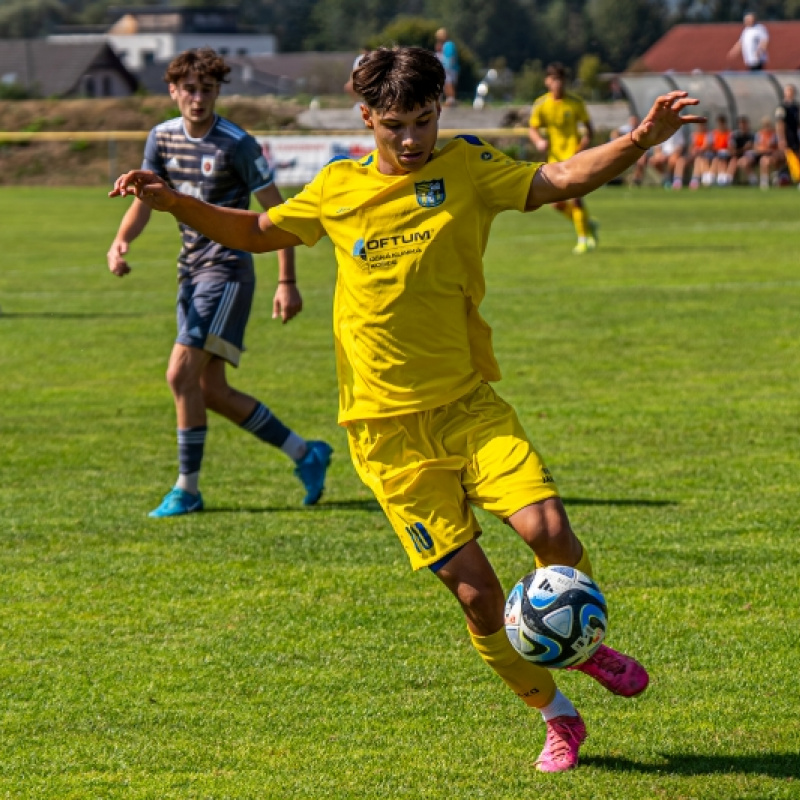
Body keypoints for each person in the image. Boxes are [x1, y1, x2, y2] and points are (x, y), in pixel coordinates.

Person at [110, 46, 703, 772]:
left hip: (467, 405)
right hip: (385, 434)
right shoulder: (337, 188)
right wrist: (176, 203)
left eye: (424, 121)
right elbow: (258, 234)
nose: (414, 139)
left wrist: (638, 141)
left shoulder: (468, 167)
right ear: (367, 119)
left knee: (551, 530)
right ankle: (555, 713)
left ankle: (578, 642)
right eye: (396, 125)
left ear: (440, 110)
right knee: (479, 596)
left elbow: (556, 178)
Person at [107, 48, 332, 517]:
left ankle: (187, 489)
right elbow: (148, 200)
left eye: (207, 89)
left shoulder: (237, 144)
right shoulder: (162, 138)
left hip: (227, 272)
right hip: (189, 273)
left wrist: (286, 281)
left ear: (217, 92)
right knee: (210, 391)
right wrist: (121, 241)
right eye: (189, 89)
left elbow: (279, 214)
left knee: (178, 374)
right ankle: (304, 452)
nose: (197, 98)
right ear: (173, 91)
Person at [529, 62, 598, 254]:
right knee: (556, 204)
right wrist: (539, 142)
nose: (558, 83)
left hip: (573, 158)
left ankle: (584, 239)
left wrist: (581, 149)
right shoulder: (542, 104)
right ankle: (587, 224)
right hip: (555, 159)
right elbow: (532, 129)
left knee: (575, 199)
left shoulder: (575, 103)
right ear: (547, 82)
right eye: (554, 79)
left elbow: (589, 131)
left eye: (561, 79)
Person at [775, 83, 800, 185]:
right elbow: (780, 123)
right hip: (787, 137)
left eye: (791, 91)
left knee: (796, 157)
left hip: (795, 136)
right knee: (790, 157)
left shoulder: (796, 107)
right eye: (788, 91)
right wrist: (781, 139)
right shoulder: (782, 107)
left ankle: (790, 178)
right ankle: (796, 178)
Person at [726, 115, 755, 185]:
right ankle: (728, 180)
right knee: (734, 161)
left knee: (744, 161)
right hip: (738, 156)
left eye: (744, 124)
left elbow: (755, 149)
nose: (743, 126)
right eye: (741, 124)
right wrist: (743, 149)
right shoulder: (734, 135)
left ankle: (753, 180)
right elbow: (732, 151)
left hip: (750, 157)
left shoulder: (752, 135)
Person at [434, 28, 459, 107]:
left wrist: (446, 68)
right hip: (448, 68)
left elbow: (449, 57)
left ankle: (451, 100)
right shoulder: (445, 45)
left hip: (450, 68)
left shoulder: (448, 44)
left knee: (449, 84)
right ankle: (449, 99)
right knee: (447, 84)